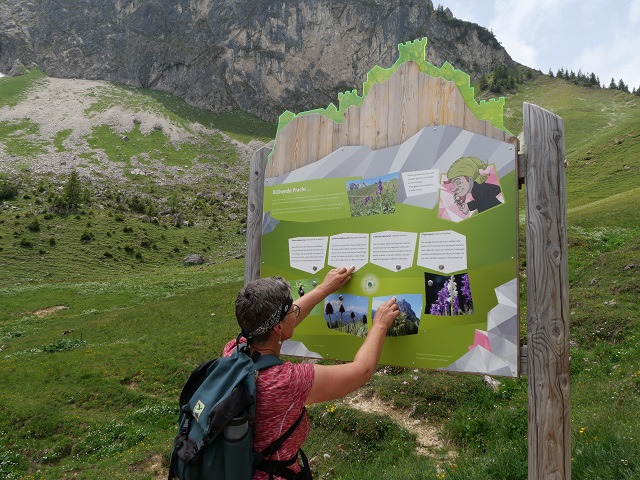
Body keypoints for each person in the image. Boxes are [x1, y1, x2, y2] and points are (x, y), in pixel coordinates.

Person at [223, 266, 400, 479]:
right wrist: (380, 324)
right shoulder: (287, 382)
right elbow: (361, 371)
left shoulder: (234, 348)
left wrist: (324, 289)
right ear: (278, 327)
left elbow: (278, 320)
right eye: (292, 312)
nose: (296, 313)